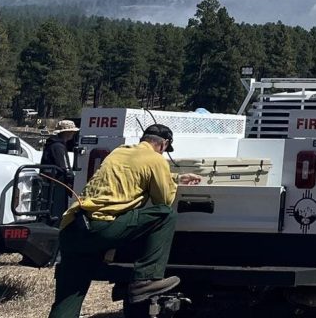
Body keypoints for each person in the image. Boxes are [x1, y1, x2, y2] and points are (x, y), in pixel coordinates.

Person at [49, 124, 202, 318]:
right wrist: (170, 181)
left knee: (67, 300)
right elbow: (163, 200)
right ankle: (146, 279)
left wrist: (175, 177)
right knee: (165, 215)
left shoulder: (119, 152)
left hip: (73, 226)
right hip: (102, 226)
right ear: (164, 144)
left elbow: (133, 174)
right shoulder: (156, 160)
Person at [40, 120, 81, 220]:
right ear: (66, 132)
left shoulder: (53, 144)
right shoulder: (58, 147)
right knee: (57, 211)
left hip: (51, 183)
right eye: (72, 131)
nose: (73, 133)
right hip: (58, 184)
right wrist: (72, 181)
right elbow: (64, 167)